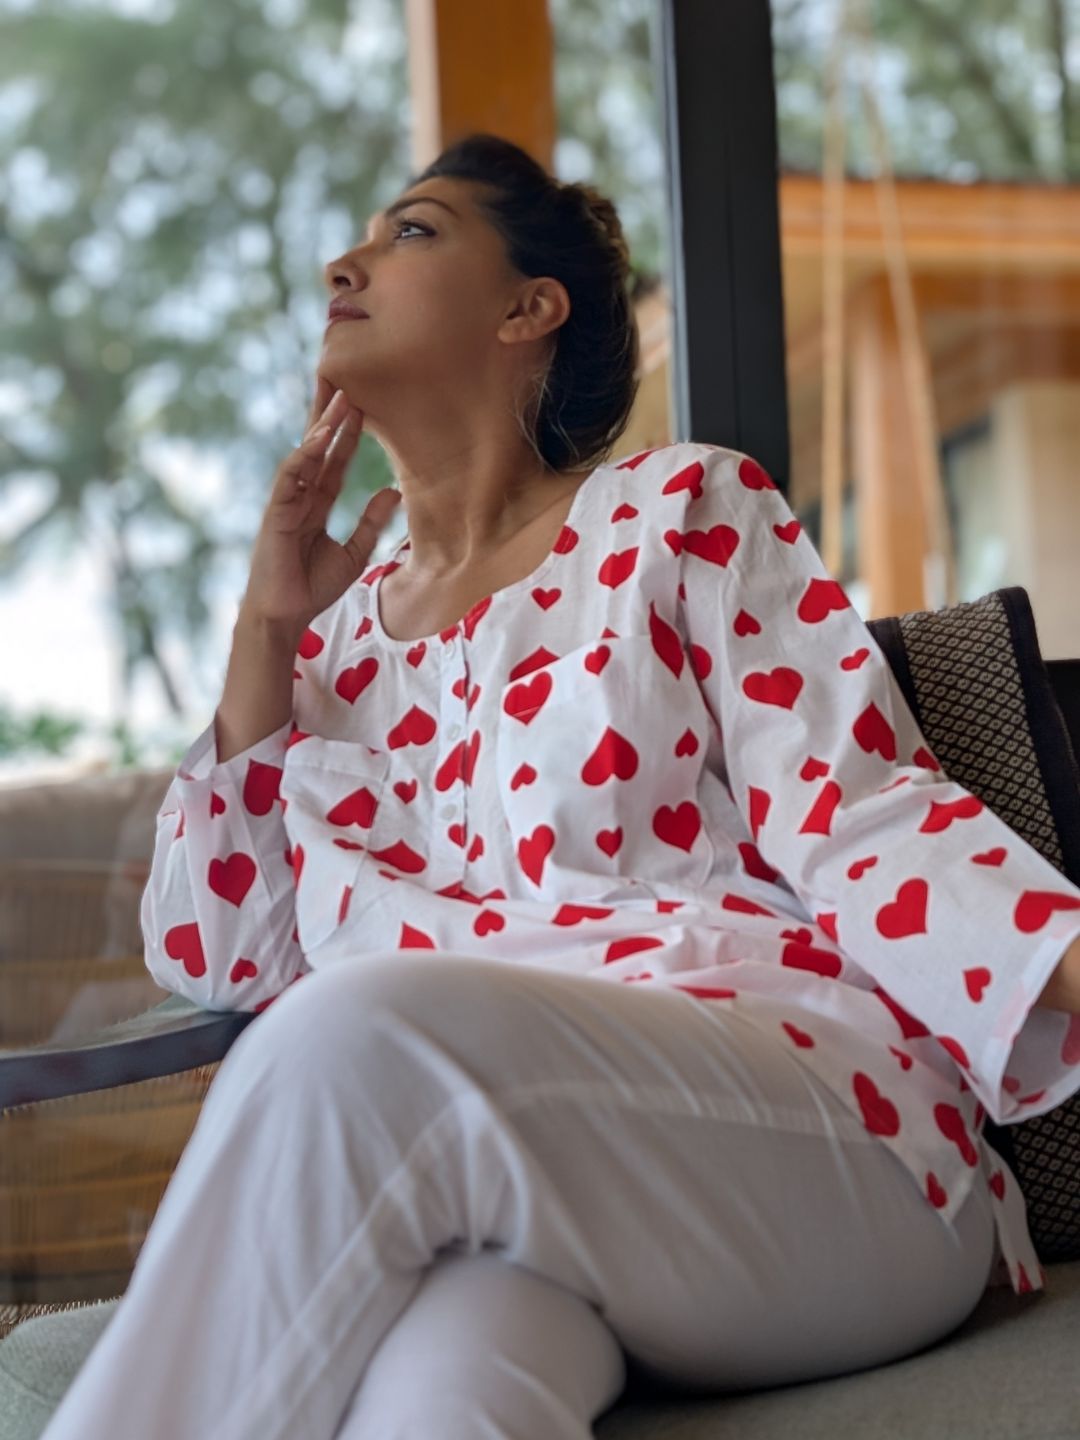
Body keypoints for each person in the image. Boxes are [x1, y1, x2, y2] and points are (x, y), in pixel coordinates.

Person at [40, 133, 1080, 1440]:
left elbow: (858, 815)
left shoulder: (681, 511)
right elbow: (220, 956)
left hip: (809, 1140)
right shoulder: (330, 649)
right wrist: (268, 631)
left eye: (412, 232)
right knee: (444, 1398)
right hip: (509, 1210)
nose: (343, 264)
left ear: (529, 309)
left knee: (352, 1032)